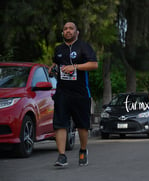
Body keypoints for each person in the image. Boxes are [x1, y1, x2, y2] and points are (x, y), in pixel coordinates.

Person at [49, 22, 98, 167]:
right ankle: (62, 156)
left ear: (77, 32)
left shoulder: (83, 46)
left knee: (82, 125)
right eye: (65, 29)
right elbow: (55, 65)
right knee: (60, 124)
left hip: (81, 92)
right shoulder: (58, 49)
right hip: (62, 92)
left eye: (71, 29)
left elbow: (94, 65)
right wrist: (53, 69)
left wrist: (75, 67)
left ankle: (83, 150)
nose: (68, 31)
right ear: (62, 33)